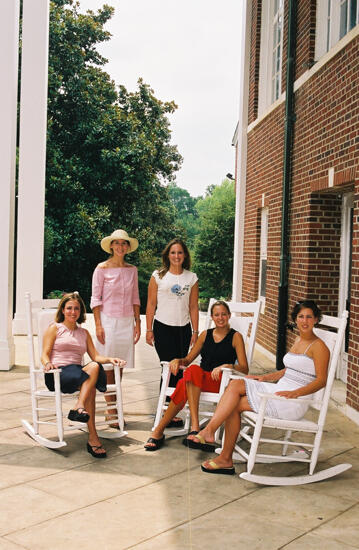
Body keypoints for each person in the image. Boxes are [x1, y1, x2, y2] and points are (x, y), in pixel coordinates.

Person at [188, 300, 330, 475]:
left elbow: (322, 380)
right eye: (300, 316)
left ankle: (219, 448)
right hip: (279, 392)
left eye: (309, 317)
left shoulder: (319, 347)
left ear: (316, 319)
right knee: (236, 384)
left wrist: (296, 393)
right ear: (295, 319)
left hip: (292, 401)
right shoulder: (298, 341)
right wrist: (264, 378)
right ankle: (214, 438)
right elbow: (288, 371)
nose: (304, 321)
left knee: (234, 405)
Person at [144, 301, 248, 450]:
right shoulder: (205, 335)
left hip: (220, 381)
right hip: (199, 380)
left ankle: (158, 431)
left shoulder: (235, 337)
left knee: (184, 382)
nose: (220, 318)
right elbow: (188, 359)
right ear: (212, 317)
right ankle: (195, 427)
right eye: (217, 314)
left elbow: (244, 368)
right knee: (192, 370)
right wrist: (178, 360)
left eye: (224, 314)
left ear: (229, 316)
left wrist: (228, 366)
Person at [41, 292, 126, 458]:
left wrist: (110, 358)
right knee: (90, 384)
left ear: (81, 311)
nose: (73, 312)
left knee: (94, 368)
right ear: (63, 310)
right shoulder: (55, 328)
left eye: (77, 309)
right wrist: (47, 364)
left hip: (77, 373)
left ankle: (80, 410)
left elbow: (96, 357)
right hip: (58, 373)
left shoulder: (84, 333)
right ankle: (92, 437)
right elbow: (44, 353)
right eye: (69, 308)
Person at [146, 238, 199, 429]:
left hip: (183, 328)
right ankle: (165, 410)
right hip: (162, 327)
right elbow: (151, 304)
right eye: (173, 252)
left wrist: (195, 330)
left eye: (180, 253)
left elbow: (193, 306)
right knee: (168, 367)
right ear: (167, 255)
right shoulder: (158, 276)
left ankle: (171, 411)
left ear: (185, 256)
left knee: (180, 367)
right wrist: (149, 328)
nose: (176, 256)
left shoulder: (191, 278)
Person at [91, 229, 141, 427]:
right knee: (108, 366)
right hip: (108, 321)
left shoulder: (132, 270)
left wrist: (138, 322)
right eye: (117, 243)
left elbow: (136, 297)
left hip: (127, 321)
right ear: (111, 246)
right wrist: (98, 324)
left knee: (120, 366)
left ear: (128, 247)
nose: (120, 246)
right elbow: (96, 298)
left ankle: (114, 406)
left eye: (124, 243)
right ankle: (112, 410)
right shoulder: (101, 268)